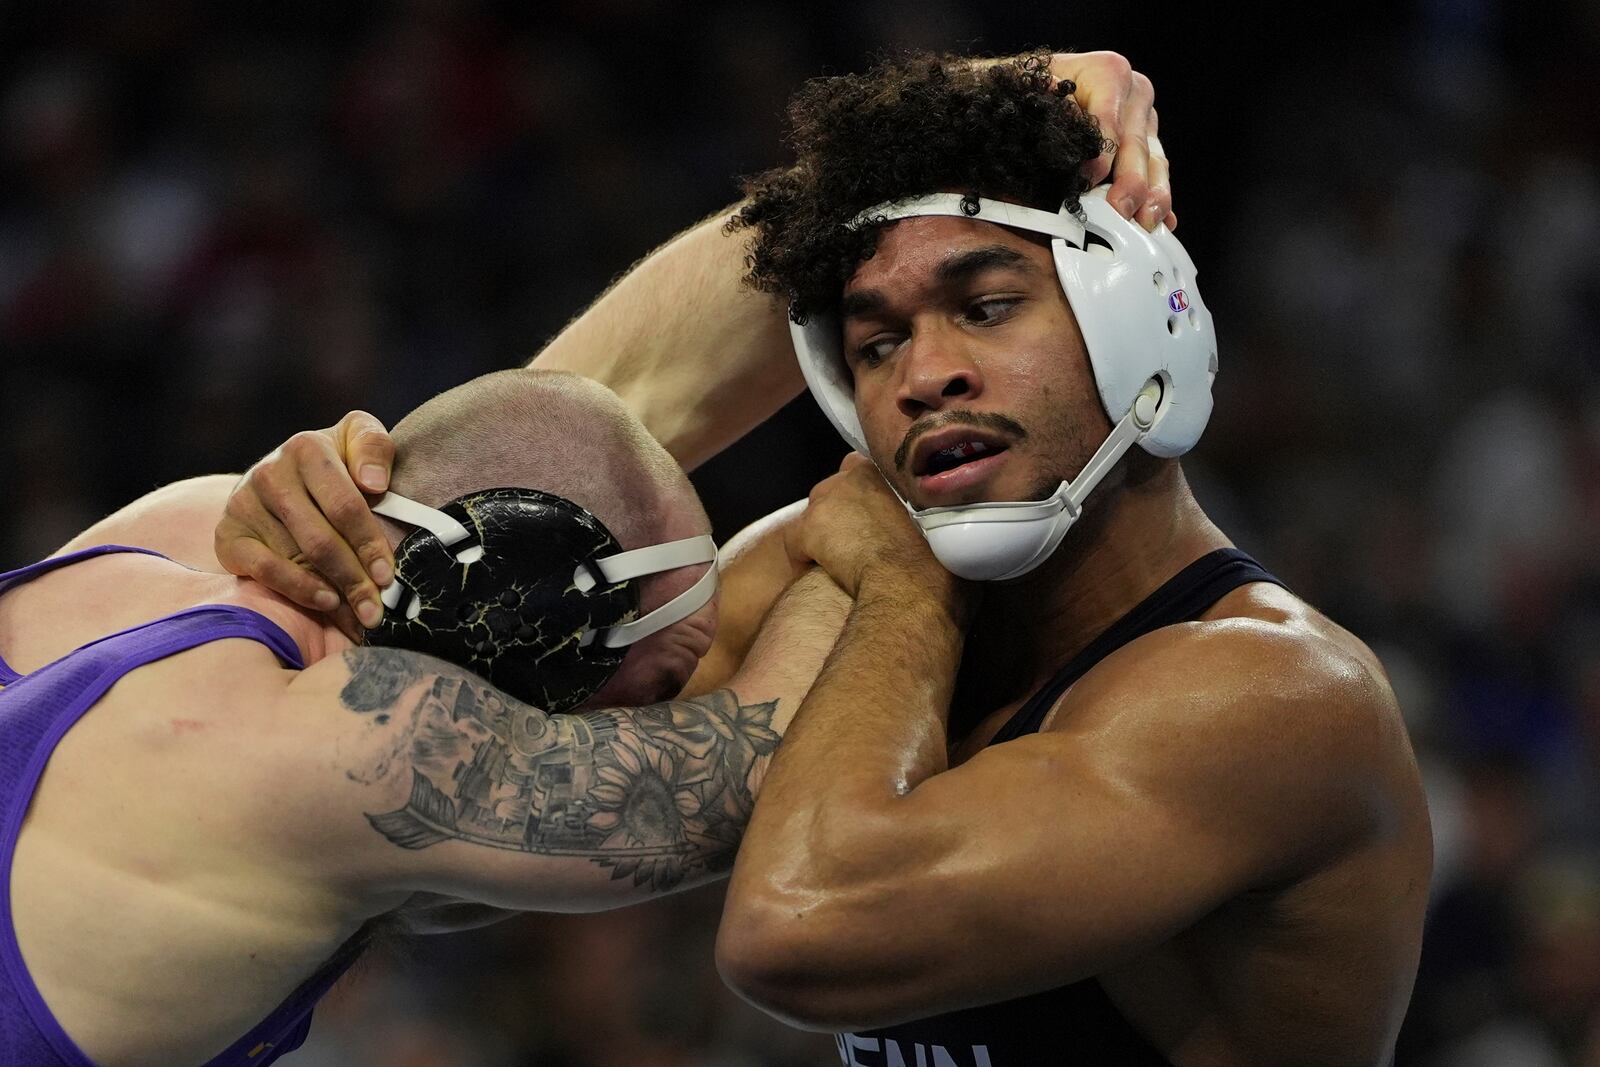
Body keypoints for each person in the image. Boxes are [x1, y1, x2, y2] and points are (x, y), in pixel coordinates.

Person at [699, 55, 1431, 1066]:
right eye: (874, 345)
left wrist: (906, 590)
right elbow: (531, 732)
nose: (923, 376)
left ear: (1137, 318)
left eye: (986, 305)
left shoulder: (1272, 693)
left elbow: (796, 926)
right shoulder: (859, 580)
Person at [0, 369, 849, 1067]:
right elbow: (750, 774)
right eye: (654, 689)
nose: (654, 721)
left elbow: (531, 434)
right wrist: (888, 532)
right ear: (529, 630)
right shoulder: (344, 744)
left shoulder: (179, 532)